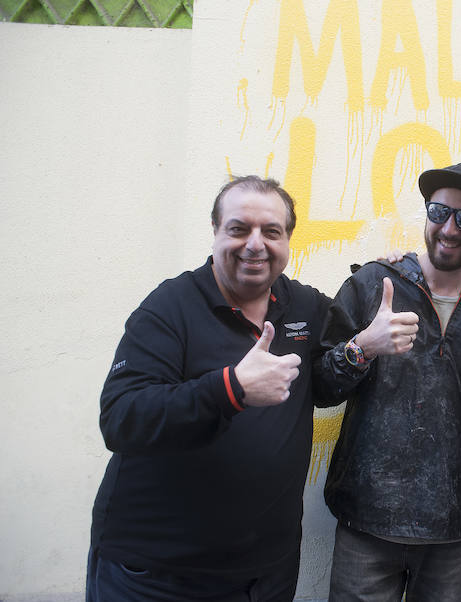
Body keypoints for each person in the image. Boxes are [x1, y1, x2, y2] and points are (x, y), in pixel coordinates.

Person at [87, 176, 332, 601]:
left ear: (287, 240)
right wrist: (230, 388)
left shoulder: (304, 306)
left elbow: (344, 354)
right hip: (159, 575)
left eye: (271, 231)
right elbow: (121, 418)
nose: (255, 244)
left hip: (265, 575)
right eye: (239, 229)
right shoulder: (169, 308)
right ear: (216, 232)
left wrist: (394, 271)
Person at [315, 163, 461, 601]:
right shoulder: (373, 283)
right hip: (365, 524)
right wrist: (361, 349)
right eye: (439, 211)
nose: (449, 227)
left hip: (451, 535)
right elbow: (320, 387)